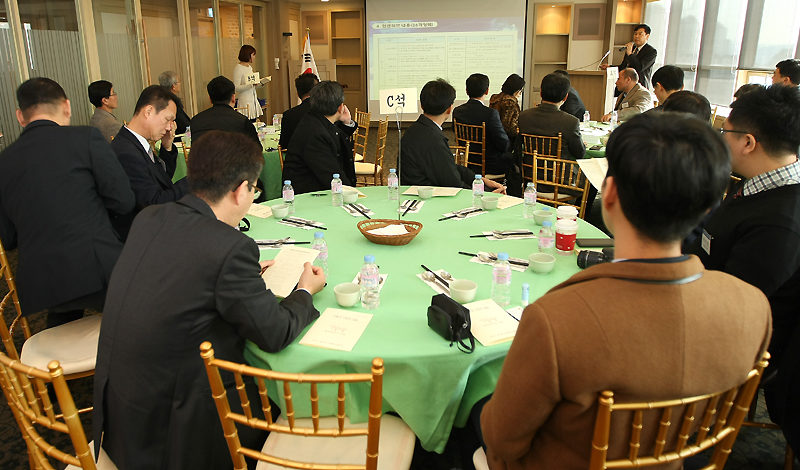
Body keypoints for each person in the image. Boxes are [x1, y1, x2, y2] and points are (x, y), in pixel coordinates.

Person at [480, 112, 771, 470]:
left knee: (477, 418)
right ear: (710, 206)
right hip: (679, 460)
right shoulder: (753, 305)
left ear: (611, 193)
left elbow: (503, 440)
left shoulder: (557, 318)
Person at [93, 130, 326, 470]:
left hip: (120, 416)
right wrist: (304, 290)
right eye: (254, 190)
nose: (252, 198)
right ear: (239, 190)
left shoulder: (150, 218)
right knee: (289, 410)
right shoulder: (227, 248)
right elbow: (274, 333)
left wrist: (236, 278)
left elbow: (182, 272)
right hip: (175, 432)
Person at [0, 78, 134, 328]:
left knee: (64, 314)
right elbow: (124, 201)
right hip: (98, 269)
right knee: (139, 312)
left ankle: (58, 363)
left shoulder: (4, 162)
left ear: (20, 116)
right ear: (67, 107)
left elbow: (8, 239)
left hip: (41, 284)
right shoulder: (85, 138)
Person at [689, 84, 800, 374]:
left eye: (724, 132)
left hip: (734, 346)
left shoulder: (781, 223)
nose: (719, 139)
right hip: (700, 297)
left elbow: (733, 306)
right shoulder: (755, 183)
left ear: (748, 142)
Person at [401, 78, 506, 193]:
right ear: (449, 109)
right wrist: (485, 193)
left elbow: (450, 167)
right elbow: (454, 185)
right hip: (428, 200)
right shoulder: (432, 140)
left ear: (421, 105)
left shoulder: (416, 130)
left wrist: (480, 180)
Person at [111, 85, 188, 240]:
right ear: (148, 112)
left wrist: (166, 147)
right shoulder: (126, 152)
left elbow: (160, 180)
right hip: (141, 237)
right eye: (168, 120)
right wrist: (196, 179)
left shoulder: (135, 143)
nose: (169, 128)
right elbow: (153, 203)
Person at [282, 80, 357, 194]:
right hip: (308, 196)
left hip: (317, 189)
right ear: (340, 107)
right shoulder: (315, 133)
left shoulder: (316, 120)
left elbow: (338, 138)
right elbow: (332, 176)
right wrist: (352, 194)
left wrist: (346, 122)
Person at [452, 73, 513, 176]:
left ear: (466, 91)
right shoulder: (490, 114)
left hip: (468, 162)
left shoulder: (457, 111)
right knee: (515, 158)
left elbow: (456, 134)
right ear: (487, 91)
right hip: (490, 165)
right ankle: (509, 188)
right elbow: (503, 144)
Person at [517, 73, 585, 160]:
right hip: (559, 172)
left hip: (528, 170)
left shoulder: (524, 116)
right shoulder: (571, 122)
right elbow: (580, 154)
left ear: (541, 93)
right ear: (565, 97)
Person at [189, 76, 259, 144]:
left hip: (204, 156)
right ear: (233, 98)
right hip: (233, 156)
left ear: (210, 99)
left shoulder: (195, 121)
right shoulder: (243, 122)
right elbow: (257, 150)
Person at [601, 23, 657, 90]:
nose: (637, 36)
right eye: (635, 34)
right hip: (625, 85)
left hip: (639, 86)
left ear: (647, 36)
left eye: (640, 34)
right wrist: (610, 67)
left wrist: (630, 54)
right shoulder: (632, 49)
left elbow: (639, 67)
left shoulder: (651, 51)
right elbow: (624, 67)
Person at [279, 72, 320, 149]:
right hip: (324, 159)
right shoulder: (328, 111)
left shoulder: (289, 115)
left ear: (298, 94)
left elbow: (284, 146)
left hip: (297, 160)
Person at [233, 44, 265, 121]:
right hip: (245, 102)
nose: (254, 57)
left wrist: (261, 83)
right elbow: (236, 87)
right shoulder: (238, 68)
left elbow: (251, 85)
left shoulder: (249, 67)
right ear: (248, 55)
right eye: (253, 55)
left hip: (253, 100)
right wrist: (251, 85)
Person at [489, 74, 524, 139]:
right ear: (515, 90)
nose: (520, 94)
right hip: (505, 141)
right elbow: (509, 129)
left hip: (492, 138)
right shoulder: (510, 103)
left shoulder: (494, 99)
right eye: (520, 91)